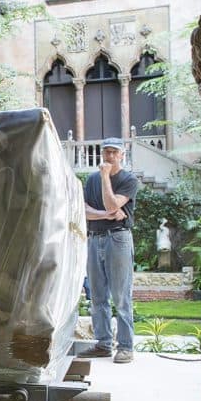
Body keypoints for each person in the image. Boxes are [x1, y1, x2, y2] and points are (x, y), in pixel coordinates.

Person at [79, 138, 140, 363]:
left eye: (114, 152)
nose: (109, 156)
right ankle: (103, 343)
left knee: (121, 295)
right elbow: (82, 210)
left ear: (122, 155)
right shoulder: (91, 179)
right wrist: (105, 214)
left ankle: (125, 347)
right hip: (94, 238)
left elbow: (113, 204)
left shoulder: (129, 179)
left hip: (118, 238)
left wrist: (106, 177)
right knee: (97, 295)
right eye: (106, 152)